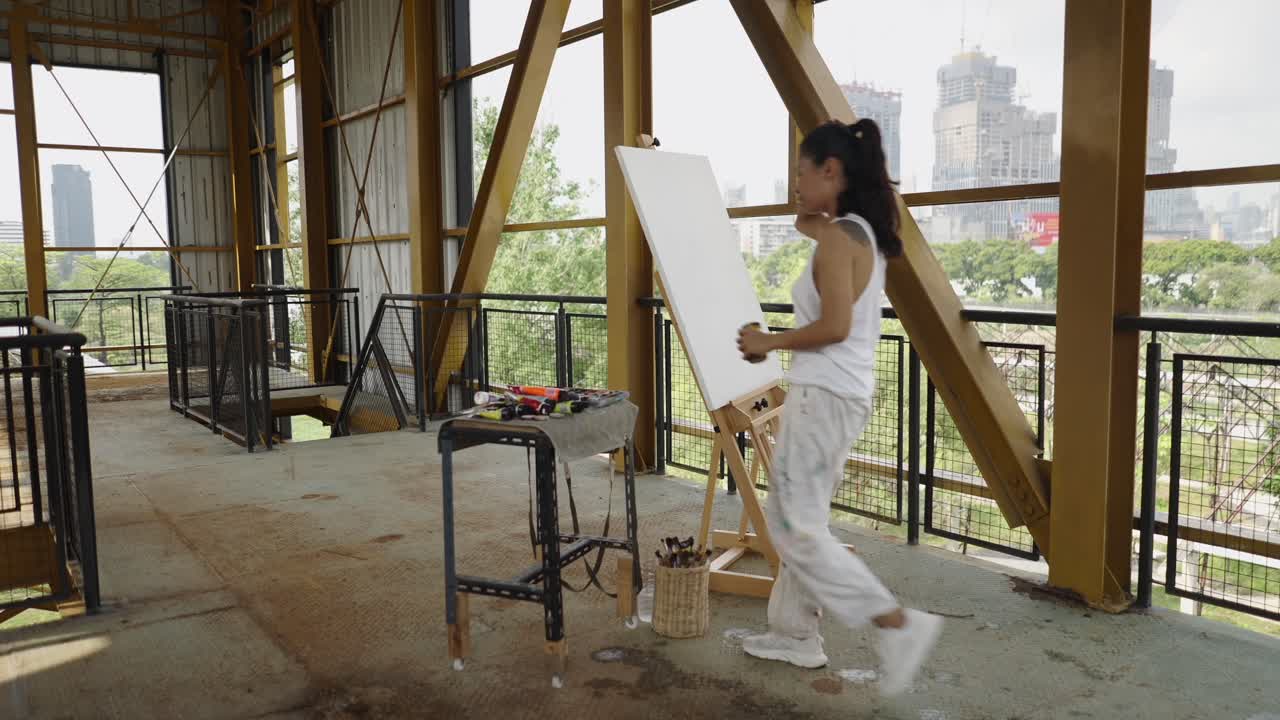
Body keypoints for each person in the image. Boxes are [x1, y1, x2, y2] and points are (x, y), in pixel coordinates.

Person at [736, 118, 942, 697]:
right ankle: (798, 634)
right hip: (844, 394)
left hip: (822, 393)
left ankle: (896, 623)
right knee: (806, 519)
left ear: (831, 171)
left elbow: (832, 325)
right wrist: (814, 215)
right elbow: (816, 232)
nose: (795, 182)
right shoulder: (858, 233)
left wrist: (767, 342)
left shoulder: (837, 237)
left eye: (803, 172)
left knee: (793, 525)